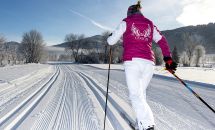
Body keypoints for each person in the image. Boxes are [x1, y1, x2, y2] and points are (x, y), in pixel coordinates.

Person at [107, 1, 177, 130]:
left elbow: (111, 41)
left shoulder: (126, 21)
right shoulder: (150, 23)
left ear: (129, 13)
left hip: (133, 61)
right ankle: (141, 123)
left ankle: (147, 125)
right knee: (140, 94)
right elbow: (162, 40)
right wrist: (167, 58)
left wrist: (110, 37)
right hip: (149, 63)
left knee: (135, 95)